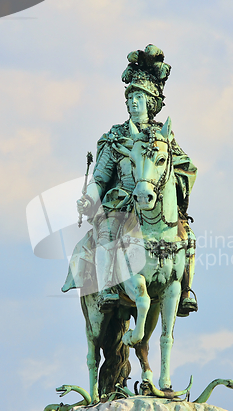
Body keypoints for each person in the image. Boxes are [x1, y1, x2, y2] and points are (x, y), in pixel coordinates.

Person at [63, 45, 198, 316]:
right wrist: (90, 197)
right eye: (131, 96)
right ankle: (108, 289)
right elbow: (99, 177)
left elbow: (185, 168)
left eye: (140, 96)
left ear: (151, 101)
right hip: (121, 206)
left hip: (154, 209)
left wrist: (172, 190)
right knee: (107, 234)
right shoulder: (115, 137)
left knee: (188, 238)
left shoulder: (164, 138)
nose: (133, 102)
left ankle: (184, 291)